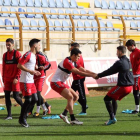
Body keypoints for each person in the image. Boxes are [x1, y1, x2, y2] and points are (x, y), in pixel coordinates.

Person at [50, 48, 95, 125]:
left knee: (76, 97)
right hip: (55, 82)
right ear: (73, 55)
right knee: (70, 97)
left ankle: (64, 114)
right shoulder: (67, 61)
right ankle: (72, 118)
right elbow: (78, 72)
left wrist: (94, 74)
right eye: (77, 57)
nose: (78, 58)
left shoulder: (74, 62)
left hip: (61, 82)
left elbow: (83, 69)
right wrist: (92, 76)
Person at [94, 46, 134, 125]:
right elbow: (115, 71)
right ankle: (113, 116)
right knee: (113, 98)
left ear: (120, 52)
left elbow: (110, 71)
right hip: (130, 87)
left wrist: (99, 75)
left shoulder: (120, 62)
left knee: (106, 99)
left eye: (117, 52)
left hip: (123, 87)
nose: (116, 53)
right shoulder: (128, 61)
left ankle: (112, 118)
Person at [17, 39, 41, 128]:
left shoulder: (34, 55)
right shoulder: (28, 54)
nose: (40, 46)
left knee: (35, 99)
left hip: (31, 81)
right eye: (39, 45)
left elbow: (29, 67)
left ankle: (25, 114)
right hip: (25, 81)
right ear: (34, 46)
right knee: (28, 100)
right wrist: (30, 71)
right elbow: (19, 65)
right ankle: (22, 119)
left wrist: (35, 71)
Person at [2, 38, 23, 120]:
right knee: (7, 96)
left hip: (15, 79)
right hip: (7, 79)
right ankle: (9, 115)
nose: (7, 46)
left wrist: (17, 77)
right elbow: (3, 67)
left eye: (9, 45)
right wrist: (3, 79)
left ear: (13, 45)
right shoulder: (5, 55)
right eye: (6, 45)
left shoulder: (17, 54)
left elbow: (20, 67)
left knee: (16, 96)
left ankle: (25, 109)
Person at [70, 43, 88, 115]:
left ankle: (84, 109)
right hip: (76, 77)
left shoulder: (77, 56)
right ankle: (83, 105)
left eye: (71, 47)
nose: (70, 49)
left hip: (79, 77)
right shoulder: (78, 55)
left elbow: (79, 67)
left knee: (81, 93)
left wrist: (89, 73)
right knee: (71, 92)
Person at [33, 51, 51, 117]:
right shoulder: (29, 56)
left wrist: (44, 67)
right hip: (33, 77)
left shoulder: (40, 56)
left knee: (37, 93)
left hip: (40, 76)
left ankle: (37, 110)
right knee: (36, 93)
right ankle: (45, 107)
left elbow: (48, 64)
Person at [126, 40, 140, 114]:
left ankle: (137, 109)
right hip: (133, 75)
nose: (127, 48)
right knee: (136, 92)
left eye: (128, 47)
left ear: (132, 45)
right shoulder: (131, 54)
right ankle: (137, 108)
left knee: (136, 92)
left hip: (137, 75)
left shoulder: (138, 52)